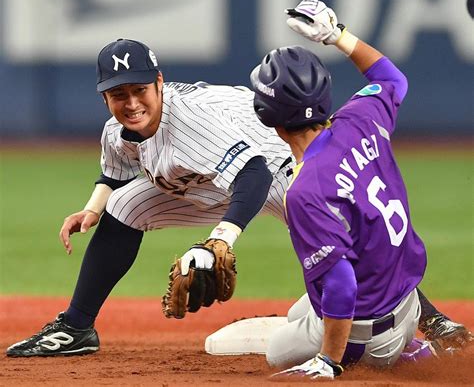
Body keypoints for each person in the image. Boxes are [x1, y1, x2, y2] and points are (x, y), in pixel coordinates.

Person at [6, 24, 470, 357]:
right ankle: (76, 327)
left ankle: (423, 319)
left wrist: (219, 240)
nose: (131, 103)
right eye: (118, 94)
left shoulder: (189, 123)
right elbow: (114, 171)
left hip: (279, 162)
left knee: (339, 238)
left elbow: (253, 175)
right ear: (104, 97)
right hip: (207, 178)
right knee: (124, 205)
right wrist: (92, 209)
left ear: (159, 82)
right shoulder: (117, 128)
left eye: (139, 90)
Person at [245, 0, 472, 379]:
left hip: (369, 337)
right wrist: (338, 36)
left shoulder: (305, 190)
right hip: (409, 302)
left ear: (269, 119)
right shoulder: (360, 117)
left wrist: (328, 360)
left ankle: (404, 353)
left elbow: (341, 285)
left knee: (278, 350)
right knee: (300, 311)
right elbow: (392, 80)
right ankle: (406, 338)